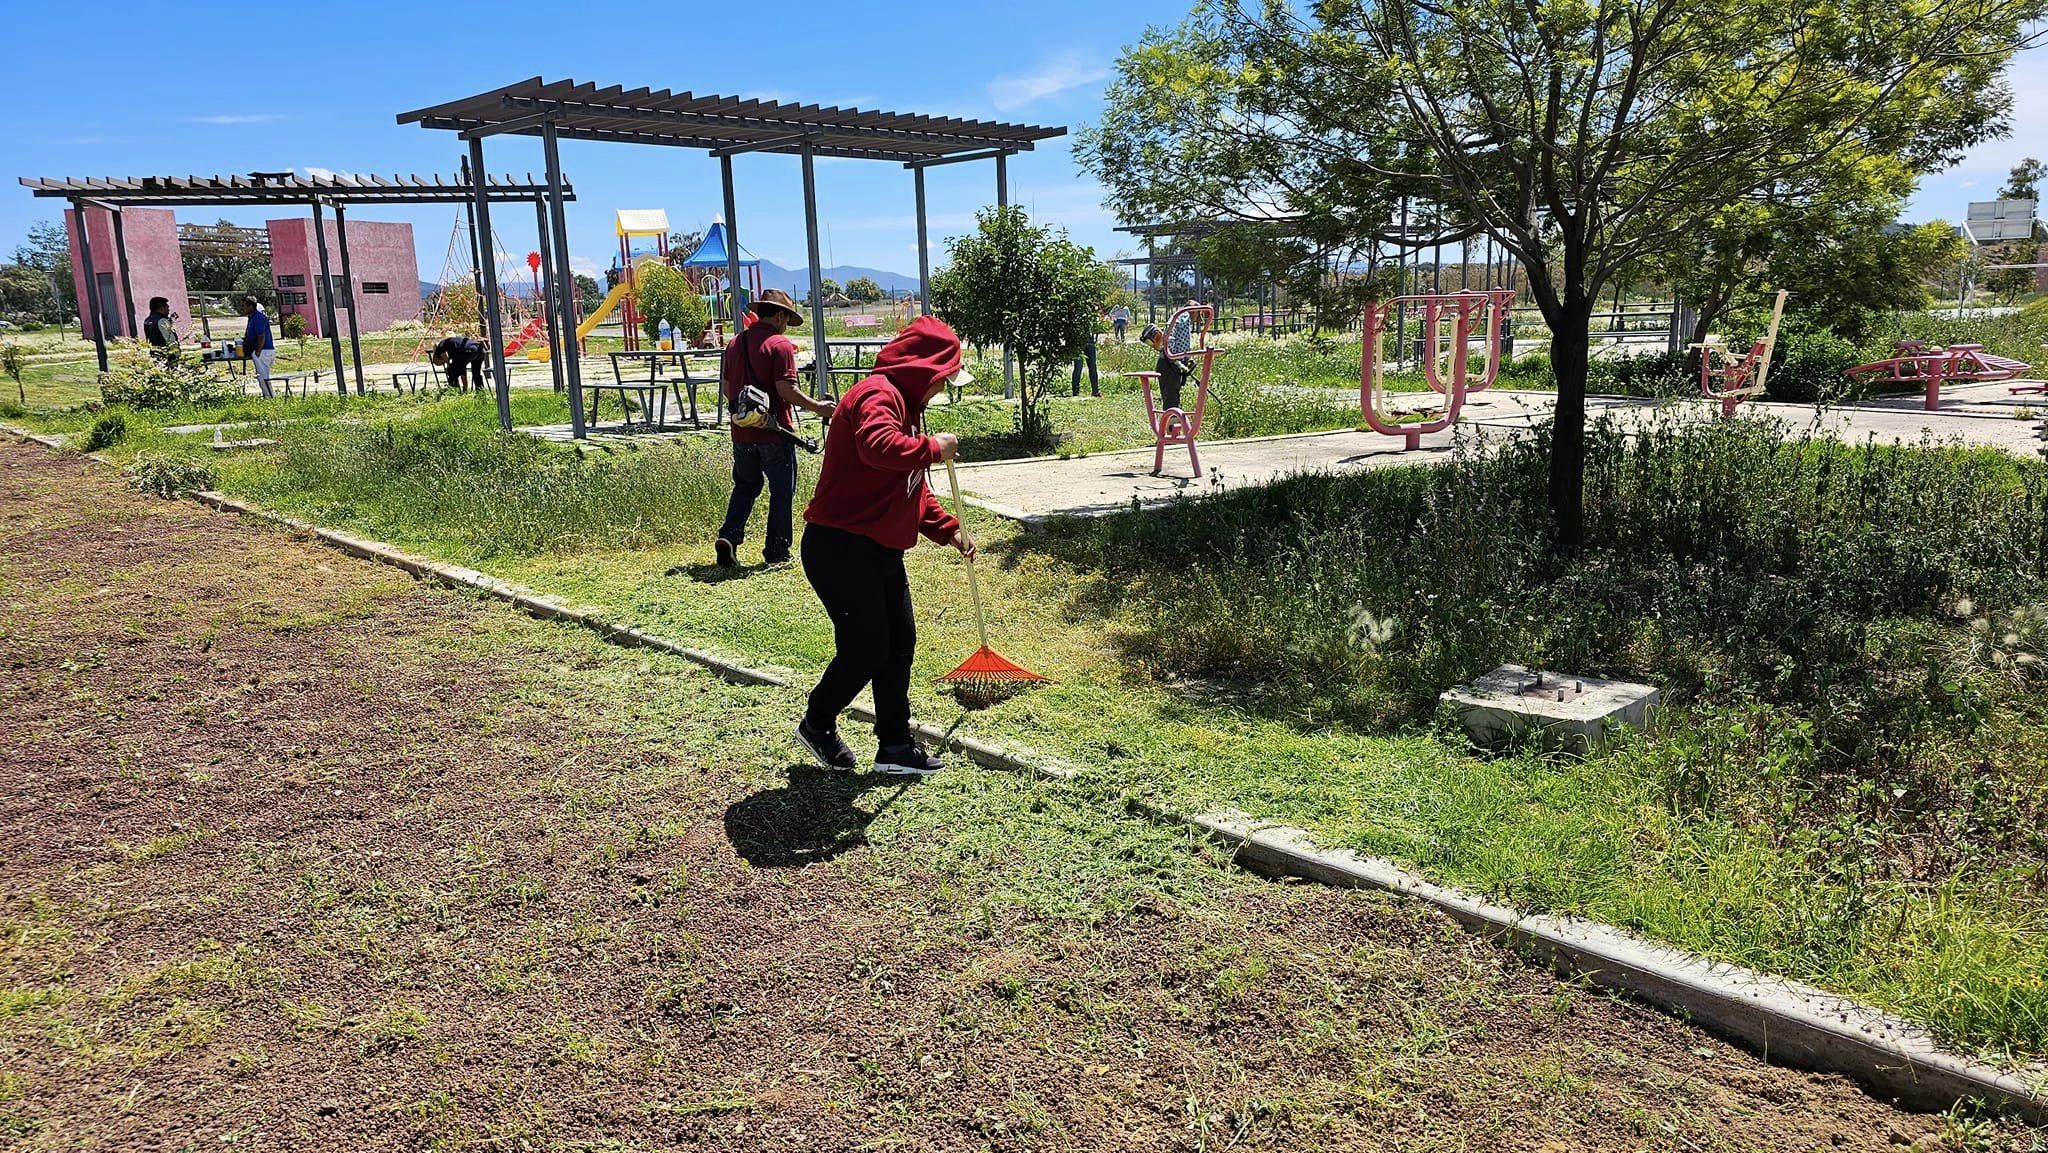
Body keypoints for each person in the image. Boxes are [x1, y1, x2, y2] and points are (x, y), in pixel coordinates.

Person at [793, 315, 974, 776]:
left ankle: (894, 744)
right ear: (924, 369)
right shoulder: (877, 395)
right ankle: (817, 722)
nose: (940, 390)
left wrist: (947, 529)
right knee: (868, 647)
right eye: (942, 380)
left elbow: (912, 486)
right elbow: (879, 448)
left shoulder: (907, 407)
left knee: (898, 643)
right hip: (840, 547)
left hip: (877, 548)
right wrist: (933, 447)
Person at [715, 288, 835, 568]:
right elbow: (786, 389)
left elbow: (727, 389)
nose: (786, 325)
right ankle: (777, 552)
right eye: (786, 318)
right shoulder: (779, 345)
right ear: (780, 315)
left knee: (745, 486)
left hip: (741, 431)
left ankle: (729, 537)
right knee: (781, 492)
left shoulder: (735, 343)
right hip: (775, 432)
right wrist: (818, 407)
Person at [1140, 322, 1191, 411]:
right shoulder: (1179, 323)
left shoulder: (1170, 339)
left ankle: (1173, 419)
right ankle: (1171, 421)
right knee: (1170, 398)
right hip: (1167, 365)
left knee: (1173, 396)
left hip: (1170, 365)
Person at [237, 296, 275, 398]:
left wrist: (258, 351)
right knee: (261, 375)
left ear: (251, 306)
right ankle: (268, 395)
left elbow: (261, 336)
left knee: (263, 376)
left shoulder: (258, 317)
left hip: (263, 350)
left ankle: (269, 397)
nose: (242, 308)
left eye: (243, 306)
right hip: (260, 350)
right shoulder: (252, 317)